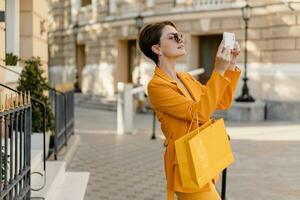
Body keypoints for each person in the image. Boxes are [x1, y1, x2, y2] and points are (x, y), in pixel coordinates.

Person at [138, 21, 241, 200]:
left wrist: (230, 66)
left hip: (204, 157)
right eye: (172, 37)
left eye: (180, 35)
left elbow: (221, 102)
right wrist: (218, 70)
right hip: (187, 166)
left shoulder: (185, 78)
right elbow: (199, 113)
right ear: (157, 49)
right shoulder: (157, 86)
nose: (180, 39)